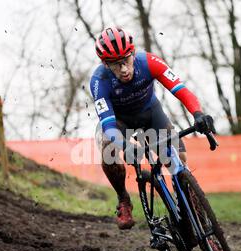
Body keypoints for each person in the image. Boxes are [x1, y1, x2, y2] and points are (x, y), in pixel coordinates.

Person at [90, 27, 215, 230]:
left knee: (179, 160)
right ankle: (123, 199)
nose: (123, 69)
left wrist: (198, 114)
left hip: (151, 115)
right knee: (107, 146)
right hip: (119, 122)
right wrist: (125, 146)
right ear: (105, 63)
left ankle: (201, 224)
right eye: (115, 64)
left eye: (126, 60)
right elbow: (108, 125)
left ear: (133, 52)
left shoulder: (148, 62)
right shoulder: (99, 81)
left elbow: (182, 90)